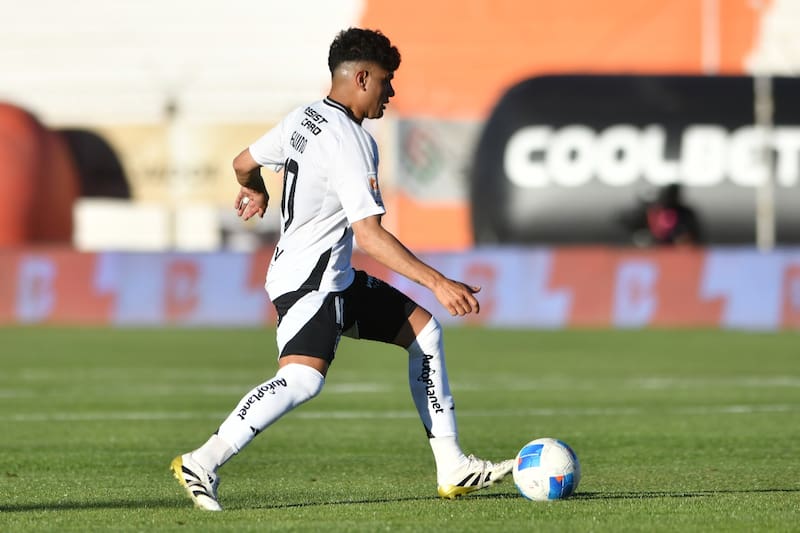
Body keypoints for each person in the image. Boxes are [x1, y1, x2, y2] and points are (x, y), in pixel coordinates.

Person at [170, 27, 513, 511]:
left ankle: (452, 466)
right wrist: (438, 282)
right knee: (302, 379)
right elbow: (369, 235)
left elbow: (243, 162)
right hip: (312, 282)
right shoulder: (351, 141)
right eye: (387, 82)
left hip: (330, 277)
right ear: (363, 77)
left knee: (424, 333)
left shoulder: (303, 116)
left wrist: (256, 188)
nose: (391, 93)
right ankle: (202, 461)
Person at [620, 183, 703, 247]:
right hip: (653, 252)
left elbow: (689, 237)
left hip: (674, 253)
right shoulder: (643, 214)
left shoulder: (684, 214)